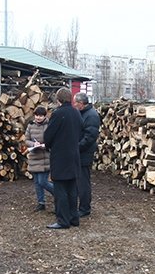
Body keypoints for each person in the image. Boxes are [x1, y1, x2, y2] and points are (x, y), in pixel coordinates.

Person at [43, 87, 82, 229]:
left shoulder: (58, 114)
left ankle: (63, 221)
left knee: (60, 190)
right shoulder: (76, 113)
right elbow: (81, 131)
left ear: (58, 100)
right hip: (74, 155)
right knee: (72, 190)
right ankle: (74, 218)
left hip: (60, 157)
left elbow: (48, 135)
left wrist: (48, 146)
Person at [73, 91, 100, 217]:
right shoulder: (83, 113)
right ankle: (81, 206)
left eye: (75, 103)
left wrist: (77, 148)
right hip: (81, 152)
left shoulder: (91, 116)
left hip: (84, 153)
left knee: (83, 182)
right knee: (79, 181)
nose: (74, 105)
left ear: (81, 103)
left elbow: (90, 137)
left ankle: (84, 208)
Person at [23, 106, 53, 211]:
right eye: (36, 115)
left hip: (45, 157)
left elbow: (52, 139)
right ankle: (41, 203)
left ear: (44, 116)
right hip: (34, 156)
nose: (38, 118)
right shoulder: (30, 126)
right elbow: (26, 139)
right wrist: (33, 143)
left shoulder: (49, 125)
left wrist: (45, 145)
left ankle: (57, 193)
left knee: (43, 181)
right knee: (36, 182)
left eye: (40, 115)